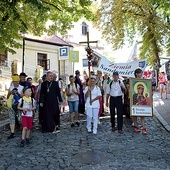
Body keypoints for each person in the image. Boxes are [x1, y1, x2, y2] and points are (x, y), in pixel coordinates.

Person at [7, 75, 24, 139]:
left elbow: (23, 97)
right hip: (11, 105)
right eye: (14, 82)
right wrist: (10, 92)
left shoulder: (21, 87)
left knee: (20, 119)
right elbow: (8, 97)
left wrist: (18, 93)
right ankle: (12, 132)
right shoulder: (11, 87)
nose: (16, 83)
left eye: (17, 82)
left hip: (19, 105)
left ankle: (23, 129)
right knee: (12, 119)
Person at [132, 68, 147, 134]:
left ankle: (144, 128)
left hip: (142, 105)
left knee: (142, 115)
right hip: (135, 104)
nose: (140, 74)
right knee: (134, 114)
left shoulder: (144, 80)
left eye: (141, 73)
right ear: (136, 74)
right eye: (139, 73)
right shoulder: (133, 81)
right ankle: (136, 126)